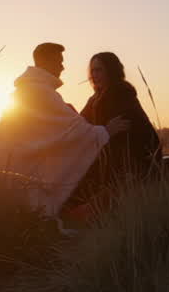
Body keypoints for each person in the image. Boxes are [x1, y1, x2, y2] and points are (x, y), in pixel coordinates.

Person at [0, 42, 128, 217]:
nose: (63, 67)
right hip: (24, 177)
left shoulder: (26, 90)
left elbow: (60, 130)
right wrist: (105, 132)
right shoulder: (41, 93)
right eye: (59, 61)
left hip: (10, 176)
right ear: (48, 61)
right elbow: (73, 131)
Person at [67, 52, 162, 210]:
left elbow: (130, 137)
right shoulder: (96, 98)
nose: (94, 75)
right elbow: (82, 124)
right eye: (92, 71)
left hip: (126, 165)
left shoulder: (121, 95)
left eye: (99, 70)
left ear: (111, 71)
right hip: (102, 159)